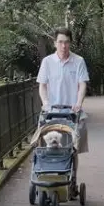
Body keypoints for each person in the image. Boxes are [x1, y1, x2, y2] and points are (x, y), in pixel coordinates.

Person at [35, 27, 89, 190]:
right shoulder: (47, 62)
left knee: (72, 150)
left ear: (70, 43)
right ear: (55, 43)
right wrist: (45, 102)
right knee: (47, 148)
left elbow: (82, 84)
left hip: (72, 113)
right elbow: (42, 85)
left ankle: (72, 180)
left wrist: (78, 102)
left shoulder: (78, 61)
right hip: (52, 114)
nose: (63, 46)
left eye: (66, 42)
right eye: (60, 42)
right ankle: (47, 176)